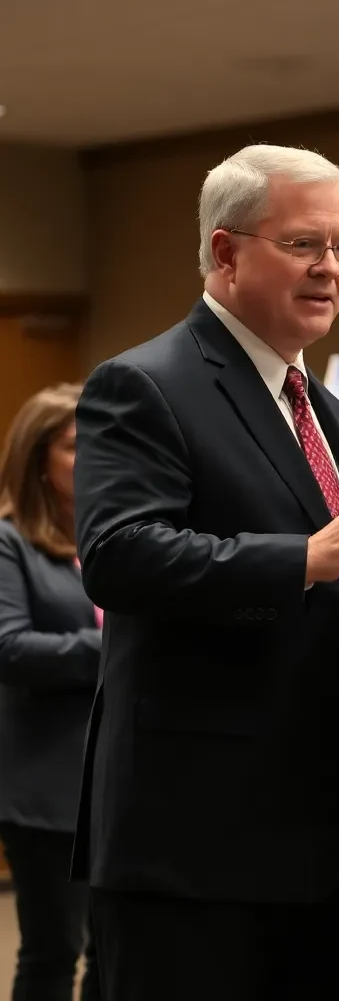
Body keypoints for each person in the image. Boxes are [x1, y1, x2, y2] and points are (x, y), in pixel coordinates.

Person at [71, 144, 339, 1001]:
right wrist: (303, 558)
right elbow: (119, 555)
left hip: (314, 839)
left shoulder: (328, 411)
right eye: (304, 245)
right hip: (193, 843)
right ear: (225, 252)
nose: (331, 268)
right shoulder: (145, 384)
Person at [0, 384, 101, 1001]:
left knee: (114, 949)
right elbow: (9, 648)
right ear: (38, 458)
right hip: (46, 783)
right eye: (74, 445)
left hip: (119, 776)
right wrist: (119, 648)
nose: (93, 454)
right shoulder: (9, 541)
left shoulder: (110, 535)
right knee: (52, 952)